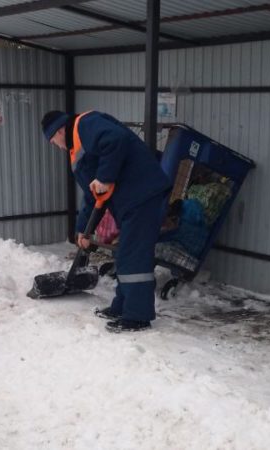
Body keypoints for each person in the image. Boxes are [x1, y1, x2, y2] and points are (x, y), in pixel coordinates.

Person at [41, 110, 171, 332]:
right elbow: (93, 195)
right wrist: (83, 231)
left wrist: (105, 177)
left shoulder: (85, 124)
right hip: (130, 202)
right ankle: (122, 306)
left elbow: (115, 140)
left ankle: (138, 316)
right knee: (125, 254)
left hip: (143, 195)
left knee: (133, 256)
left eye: (53, 141)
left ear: (60, 130)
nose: (57, 146)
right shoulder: (76, 151)